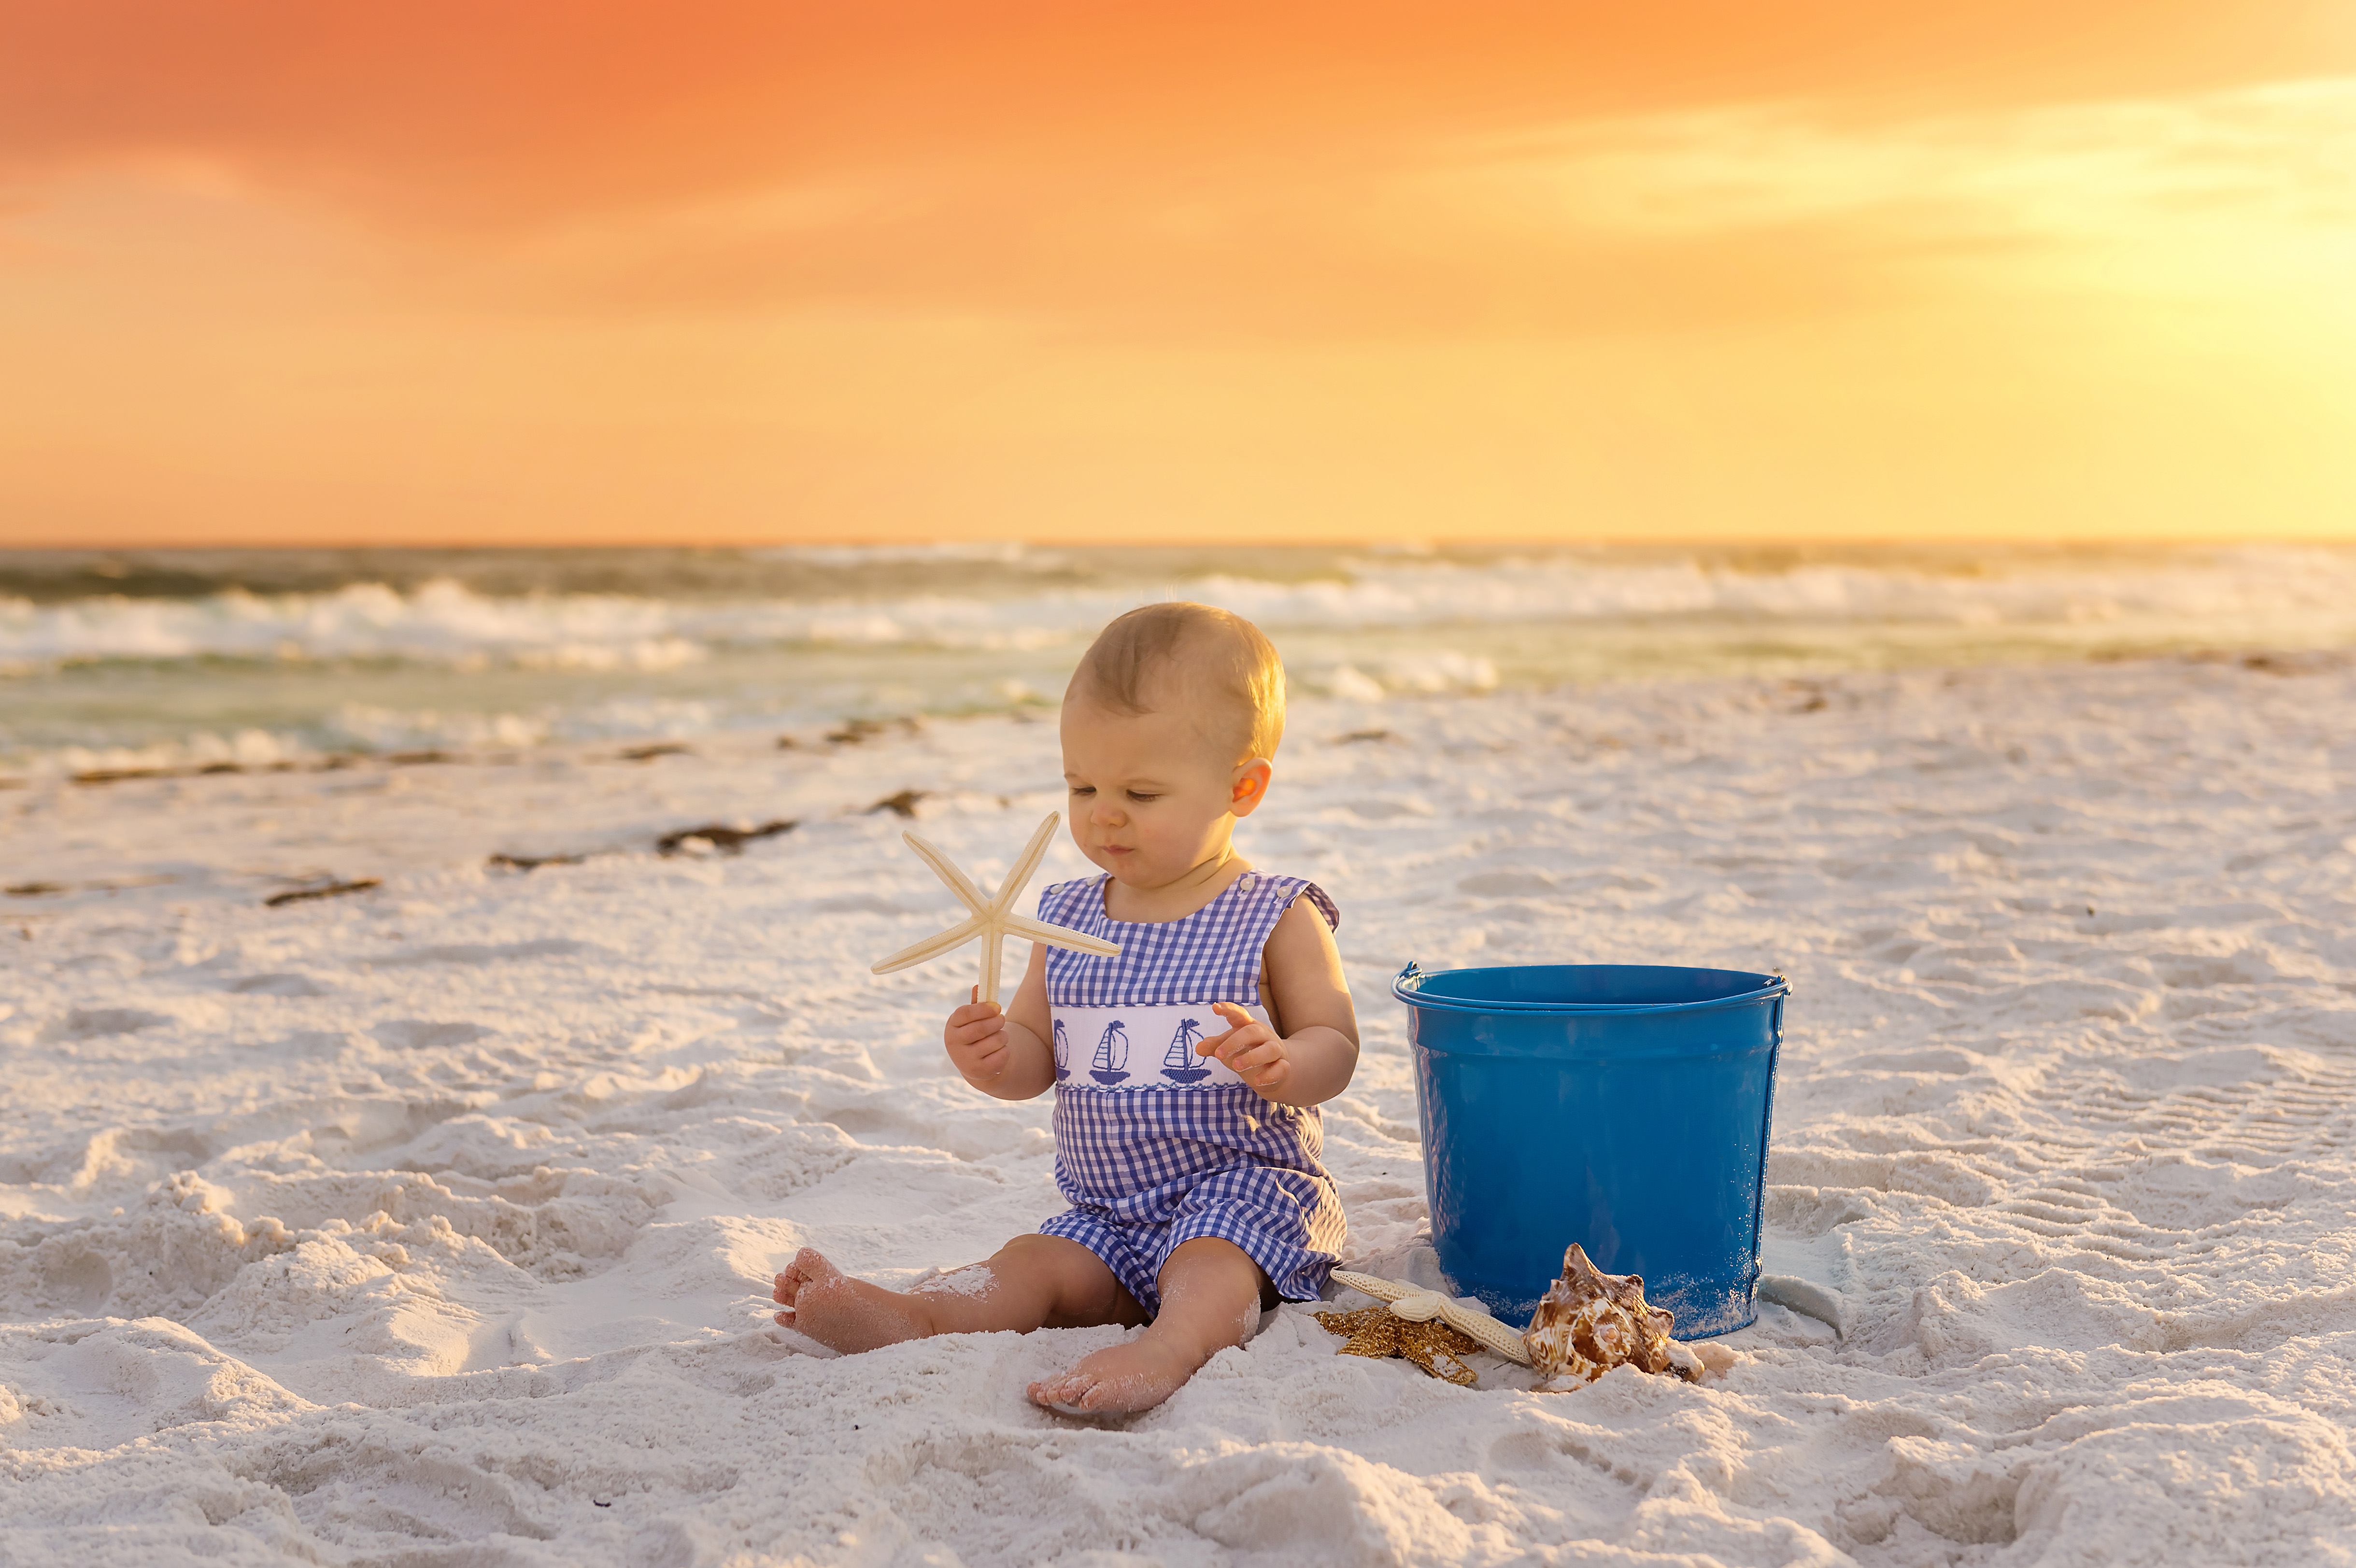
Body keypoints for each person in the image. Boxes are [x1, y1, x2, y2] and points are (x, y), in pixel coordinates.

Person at [773, 602, 1357, 1415]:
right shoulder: (1064, 918)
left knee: (1208, 1268)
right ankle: (917, 1315)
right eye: (1081, 785)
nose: (1103, 812)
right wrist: (991, 1056)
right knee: (1029, 1266)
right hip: (1107, 1210)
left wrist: (1288, 1064)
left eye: (1140, 792)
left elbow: (1336, 1041)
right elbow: (1034, 1058)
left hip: (1244, 1193)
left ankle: (1168, 1347)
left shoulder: (1274, 913)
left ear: (1242, 786)